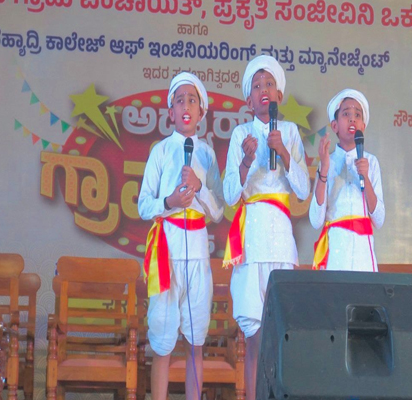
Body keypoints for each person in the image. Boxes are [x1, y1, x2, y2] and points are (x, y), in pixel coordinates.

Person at [222, 55, 310, 400]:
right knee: (254, 336)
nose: (264, 90)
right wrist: (246, 161)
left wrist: (284, 153)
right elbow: (231, 195)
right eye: (257, 86)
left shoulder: (289, 132)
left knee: (280, 335)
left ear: (279, 95)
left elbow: (303, 190)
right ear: (248, 99)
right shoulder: (240, 134)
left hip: (281, 241)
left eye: (269, 84)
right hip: (251, 242)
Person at [138, 72, 224, 400]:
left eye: (192, 101)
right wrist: (170, 201)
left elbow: (218, 211)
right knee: (162, 341)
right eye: (179, 101)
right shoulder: (160, 151)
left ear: (202, 113)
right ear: (170, 112)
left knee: (195, 341)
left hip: (198, 249)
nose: (186, 106)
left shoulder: (207, 155)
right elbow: (144, 205)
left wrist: (199, 188)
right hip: (167, 249)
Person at [309, 88, 385, 271]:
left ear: (363, 126)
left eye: (357, 115)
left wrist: (365, 177)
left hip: (363, 254)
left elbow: (379, 219)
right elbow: (316, 220)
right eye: (346, 114)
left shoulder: (371, 162)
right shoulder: (327, 162)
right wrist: (324, 170)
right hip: (336, 251)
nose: (352, 119)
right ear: (335, 126)